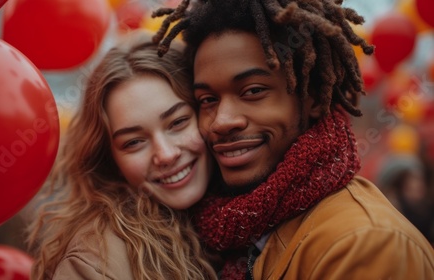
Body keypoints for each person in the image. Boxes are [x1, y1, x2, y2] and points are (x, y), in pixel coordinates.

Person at [151, 0, 434, 279]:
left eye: (253, 91)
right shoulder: (211, 236)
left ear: (311, 98)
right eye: (208, 99)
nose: (221, 121)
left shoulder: (365, 244)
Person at [27, 31, 217, 280]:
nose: (166, 154)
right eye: (134, 142)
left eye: (178, 122)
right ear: (111, 161)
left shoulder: (244, 223)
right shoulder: (96, 263)